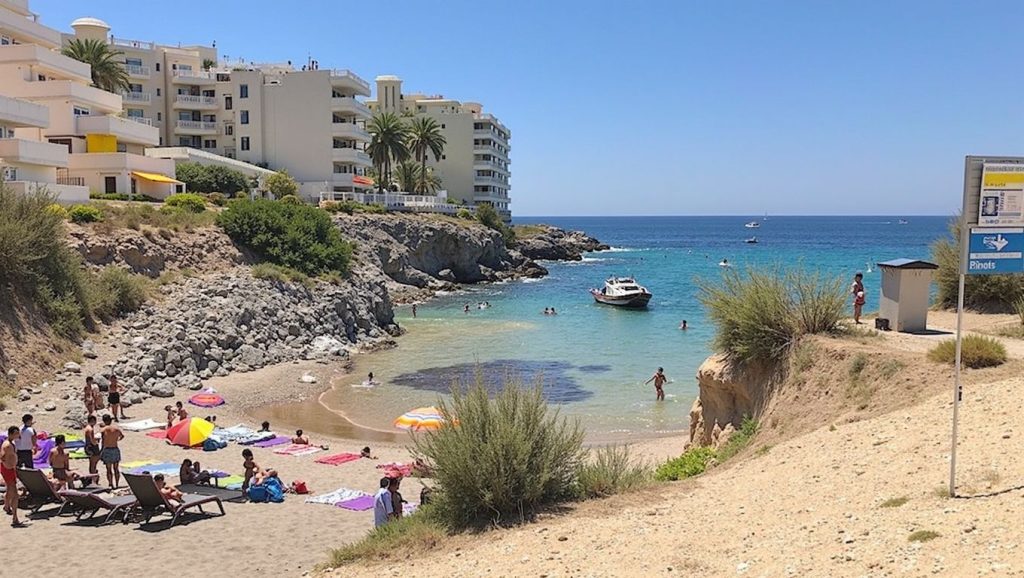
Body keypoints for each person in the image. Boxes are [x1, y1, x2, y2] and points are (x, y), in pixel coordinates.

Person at [2, 426, 23, 527]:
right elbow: (2, 456)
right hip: (8, 469)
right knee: (15, 494)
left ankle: (6, 506)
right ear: (11, 434)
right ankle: (15, 518)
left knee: (9, 489)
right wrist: (10, 465)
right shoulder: (8, 445)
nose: (18, 435)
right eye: (16, 433)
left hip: (9, 469)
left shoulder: (10, 443)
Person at [99, 415, 124, 488]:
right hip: (115, 448)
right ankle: (117, 484)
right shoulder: (116, 429)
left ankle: (110, 484)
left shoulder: (104, 430)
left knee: (108, 469)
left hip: (107, 449)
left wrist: (101, 451)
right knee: (116, 468)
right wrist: (116, 440)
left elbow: (103, 441)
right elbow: (122, 436)